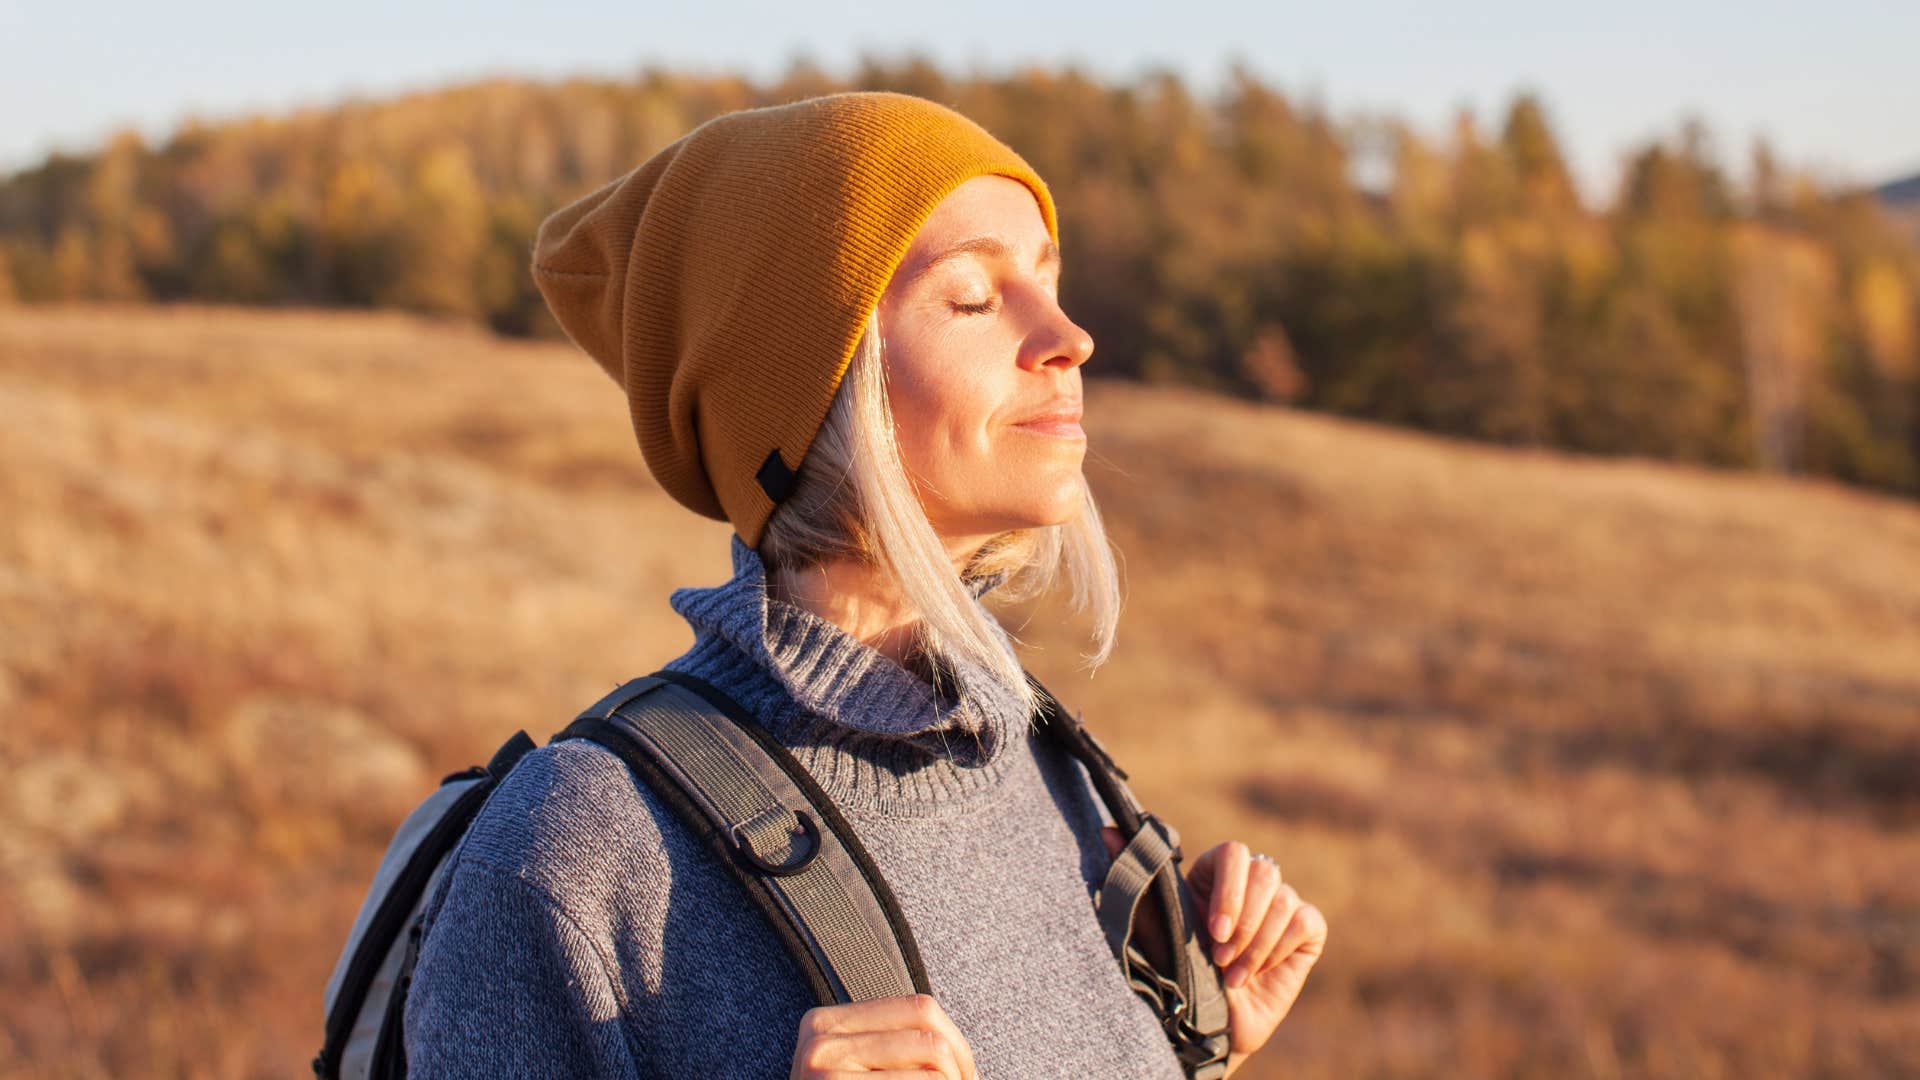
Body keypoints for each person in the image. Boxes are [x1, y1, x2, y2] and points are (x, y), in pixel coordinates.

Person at [402, 90, 1326, 1078]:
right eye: (973, 297)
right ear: (812, 391)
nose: (1069, 336)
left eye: (1050, 281)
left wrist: (1199, 1036)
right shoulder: (580, 846)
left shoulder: (1051, 771)